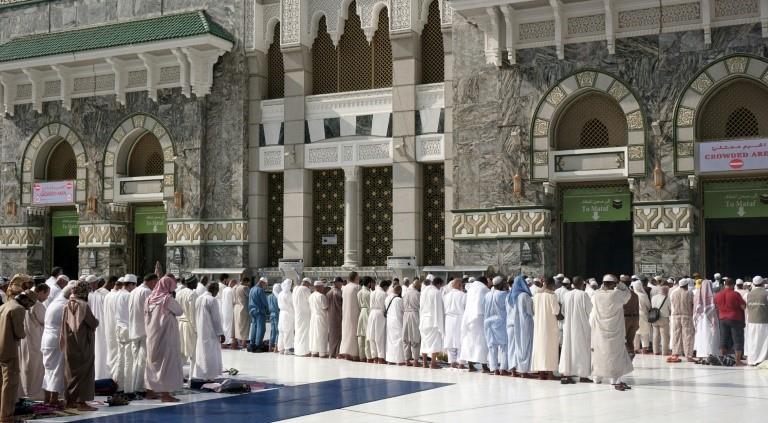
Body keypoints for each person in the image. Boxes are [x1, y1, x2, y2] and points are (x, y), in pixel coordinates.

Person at [61, 280, 99, 411]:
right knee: (84, 372)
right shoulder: (83, 305)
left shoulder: (67, 305)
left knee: (71, 373)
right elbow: (92, 323)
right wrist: (97, 321)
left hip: (69, 344)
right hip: (83, 344)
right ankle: (81, 403)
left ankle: (70, 401)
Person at [591, 274, 633, 391]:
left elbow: (599, 290)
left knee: (600, 353)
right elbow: (628, 294)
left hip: (600, 330)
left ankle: (597, 377)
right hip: (615, 330)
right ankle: (614, 380)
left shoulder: (597, 295)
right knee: (615, 355)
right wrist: (620, 284)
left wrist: (604, 284)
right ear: (614, 284)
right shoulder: (616, 294)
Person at [145, 276, 184, 402]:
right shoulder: (167, 299)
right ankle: (165, 395)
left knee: (153, 363)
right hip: (166, 336)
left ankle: (150, 391)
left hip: (152, 335)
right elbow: (179, 311)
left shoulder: (149, 298)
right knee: (166, 364)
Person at [0, 278, 33, 421]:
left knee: (2, 383)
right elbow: (19, 333)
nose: (29, 307)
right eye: (30, 304)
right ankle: (7, 416)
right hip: (9, 350)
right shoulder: (18, 309)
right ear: (26, 300)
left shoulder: (6, 305)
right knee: (10, 384)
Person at [559, 276, 592, 384]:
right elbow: (590, 310)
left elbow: (563, 311)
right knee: (582, 350)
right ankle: (583, 375)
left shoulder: (566, 295)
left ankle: (566, 374)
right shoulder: (583, 295)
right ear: (582, 284)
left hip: (568, 327)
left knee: (567, 349)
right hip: (581, 327)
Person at [128, 273, 157, 396]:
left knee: (136, 360)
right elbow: (150, 312)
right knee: (143, 361)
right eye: (155, 282)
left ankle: (134, 386)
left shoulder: (134, 291)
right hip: (144, 331)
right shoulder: (146, 292)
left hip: (134, 330)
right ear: (151, 281)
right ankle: (141, 388)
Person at [20, 284, 48, 400]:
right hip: (36, 339)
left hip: (26, 339)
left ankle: (26, 391)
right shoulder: (38, 305)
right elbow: (44, 321)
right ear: (40, 292)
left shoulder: (23, 305)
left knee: (26, 366)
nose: (47, 297)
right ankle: (35, 393)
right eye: (46, 294)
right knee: (36, 367)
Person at [193, 282, 224, 381]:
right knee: (210, 353)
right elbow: (216, 319)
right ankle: (209, 376)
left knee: (202, 352)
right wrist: (220, 333)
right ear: (214, 289)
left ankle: (202, 374)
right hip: (210, 331)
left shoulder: (199, 298)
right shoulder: (212, 300)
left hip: (201, 330)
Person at [532, 277, 560, 379]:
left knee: (540, 348)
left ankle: (541, 374)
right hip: (549, 327)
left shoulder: (536, 295)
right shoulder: (552, 295)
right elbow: (556, 311)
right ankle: (550, 374)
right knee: (550, 349)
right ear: (551, 285)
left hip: (539, 327)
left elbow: (534, 310)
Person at [714, 277, 746, 365]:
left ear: (725, 285)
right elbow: (743, 306)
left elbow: (716, 306)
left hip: (722, 318)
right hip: (735, 318)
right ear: (732, 285)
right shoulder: (735, 294)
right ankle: (738, 361)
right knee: (737, 339)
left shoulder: (718, 295)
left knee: (723, 339)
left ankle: (722, 359)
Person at [460, 277, 489, 372]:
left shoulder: (471, 288)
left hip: (468, 318)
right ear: (484, 282)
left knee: (469, 342)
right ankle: (484, 366)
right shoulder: (483, 289)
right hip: (479, 318)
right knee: (481, 342)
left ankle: (470, 365)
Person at [508, 275, 534, 377]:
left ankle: (520, 369)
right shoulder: (524, 296)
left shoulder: (512, 296)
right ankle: (524, 371)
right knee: (526, 346)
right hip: (526, 323)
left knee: (519, 346)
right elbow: (530, 311)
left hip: (516, 324)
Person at [484, 276, 509, 375]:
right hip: (500, 322)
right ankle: (503, 368)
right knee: (503, 346)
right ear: (500, 284)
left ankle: (494, 369)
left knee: (492, 347)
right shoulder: (503, 294)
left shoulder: (487, 295)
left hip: (488, 322)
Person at [419, 277, 445, 369]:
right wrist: (440, 324)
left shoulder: (424, 291)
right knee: (434, 341)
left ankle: (424, 363)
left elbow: (421, 307)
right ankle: (433, 363)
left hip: (423, 320)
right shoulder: (436, 292)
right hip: (432, 321)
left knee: (424, 342)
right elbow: (438, 309)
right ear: (438, 284)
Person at [117, 275, 136, 394]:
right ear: (131, 284)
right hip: (127, 328)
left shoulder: (117, 294)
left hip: (119, 327)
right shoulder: (128, 296)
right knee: (129, 360)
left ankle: (120, 386)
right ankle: (128, 389)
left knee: (121, 359)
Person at [669, 278, 695, 363]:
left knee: (676, 335)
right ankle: (688, 355)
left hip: (675, 316)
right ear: (686, 285)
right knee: (687, 336)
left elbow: (672, 303)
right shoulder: (689, 293)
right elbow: (692, 304)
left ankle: (675, 353)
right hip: (686, 316)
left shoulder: (673, 292)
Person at [103, 277, 123, 389]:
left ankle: (111, 377)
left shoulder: (108, 295)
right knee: (117, 354)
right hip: (116, 328)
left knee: (112, 353)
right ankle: (115, 380)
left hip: (109, 327)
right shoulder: (117, 296)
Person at [693, 279, 720, 359]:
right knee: (709, 336)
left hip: (701, 320)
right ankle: (710, 352)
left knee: (702, 335)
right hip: (709, 320)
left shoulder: (697, 295)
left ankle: (702, 352)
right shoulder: (713, 295)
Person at [443, 279, 466, 368]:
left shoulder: (446, 296)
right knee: (460, 341)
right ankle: (460, 362)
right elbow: (465, 307)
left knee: (450, 341)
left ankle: (452, 362)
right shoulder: (463, 295)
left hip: (448, 319)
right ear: (460, 285)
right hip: (459, 318)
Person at [745, 276, 768, 365]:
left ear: (753, 284)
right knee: (763, 341)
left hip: (751, 321)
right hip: (764, 321)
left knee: (753, 341)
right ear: (762, 283)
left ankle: (752, 360)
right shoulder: (766, 293)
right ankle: (762, 359)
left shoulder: (748, 294)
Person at [177, 276, 198, 371]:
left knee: (181, 353)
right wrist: (196, 329)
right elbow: (192, 313)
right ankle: (191, 378)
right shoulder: (192, 294)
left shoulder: (179, 292)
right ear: (192, 283)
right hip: (189, 325)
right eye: (196, 282)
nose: (197, 284)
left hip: (180, 324)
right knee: (193, 353)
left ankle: (177, 377)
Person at [367, 280, 389, 364]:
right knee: (379, 336)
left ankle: (374, 357)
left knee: (372, 336)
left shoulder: (372, 292)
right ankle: (381, 357)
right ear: (385, 287)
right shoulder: (384, 294)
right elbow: (385, 307)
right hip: (380, 314)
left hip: (372, 313)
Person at [341, 272, 361, 361]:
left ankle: (347, 353)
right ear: (355, 277)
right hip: (355, 312)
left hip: (346, 313)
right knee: (353, 332)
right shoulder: (356, 287)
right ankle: (354, 354)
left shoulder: (345, 288)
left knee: (346, 332)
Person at [402, 278, 421, 366]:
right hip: (414, 315)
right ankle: (416, 360)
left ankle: (407, 360)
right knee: (415, 337)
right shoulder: (417, 294)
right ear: (416, 285)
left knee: (405, 338)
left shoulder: (405, 294)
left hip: (406, 315)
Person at [385, 285, 405, 365]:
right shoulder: (399, 300)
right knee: (398, 340)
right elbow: (402, 311)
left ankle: (390, 359)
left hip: (389, 322)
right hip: (397, 321)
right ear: (400, 291)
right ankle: (399, 360)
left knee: (390, 340)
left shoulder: (387, 298)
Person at [308, 281, 329, 358]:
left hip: (313, 317)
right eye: (322, 287)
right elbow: (325, 307)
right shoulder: (321, 296)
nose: (323, 288)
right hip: (321, 317)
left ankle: (314, 351)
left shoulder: (311, 296)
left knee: (314, 335)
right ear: (319, 287)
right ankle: (322, 352)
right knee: (321, 334)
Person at [621, 275, 640, 360]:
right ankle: (631, 352)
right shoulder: (635, 294)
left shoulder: (621, 294)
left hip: (625, 319)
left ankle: (626, 355)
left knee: (622, 339)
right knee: (630, 339)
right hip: (634, 319)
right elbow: (637, 308)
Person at [247, 278, 269, 352]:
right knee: (260, 328)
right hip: (259, 311)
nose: (265, 286)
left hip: (252, 311)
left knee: (254, 327)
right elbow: (265, 302)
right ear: (262, 283)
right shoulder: (260, 290)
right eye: (265, 285)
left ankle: (252, 344)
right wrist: (267, 308)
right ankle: (258, 345)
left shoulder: (252, 289)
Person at [292, 278, 312, 357]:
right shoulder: (305, 289)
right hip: (305, 315)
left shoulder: (295, 289)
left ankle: (297, 350)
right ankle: (304, 351)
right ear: (307, 283)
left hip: (297, 314)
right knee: (304, 333)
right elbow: (310, 300)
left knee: (298, 332)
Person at [632, 280, 652, 355]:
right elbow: (648, 306)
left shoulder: (632, 295)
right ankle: (644, 348)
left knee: (635, 332)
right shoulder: (643, 295)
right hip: (643, 315)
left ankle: (635, 348)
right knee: (644, 332)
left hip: (634, 316)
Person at [651, 286, 671, 356]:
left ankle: (655, 351)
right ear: (665, 291)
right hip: (663, 318)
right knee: (665, 336)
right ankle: (665, 352)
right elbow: (670, 308)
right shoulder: (667, 298)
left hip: (654, 317)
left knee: (655, 335)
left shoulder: (653, 297)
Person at [326, 277, 343, 358]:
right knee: (338, 335)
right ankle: (337, 353)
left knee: (332, 334)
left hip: (330, 316)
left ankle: (331, 352)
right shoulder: (339, 292)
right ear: (338, 283)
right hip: (338, 316)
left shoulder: (329, 293)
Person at [356, 277, 372, 362]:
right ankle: (368, 356)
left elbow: (358, 304)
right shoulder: (368, 293)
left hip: (362, 312)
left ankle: (361, 355)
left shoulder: (359, 292)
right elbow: (371, 305)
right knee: (367, 334)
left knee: (361, 335)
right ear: (369, 283)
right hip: (368, 312)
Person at [277, 279, 295, 354]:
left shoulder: (280, 293)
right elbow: (292, 304)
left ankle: (281, 348)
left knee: (281, 331)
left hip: (281, 313)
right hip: (288, 314)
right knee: (288, 331)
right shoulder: (288, 293)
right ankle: (287, 349)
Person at [233, 278, 250, 350]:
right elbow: (250, 296)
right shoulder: (245, 288)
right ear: (245, 282)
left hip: (237, 308)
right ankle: (243, 344)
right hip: (243, 308)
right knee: (244, 327)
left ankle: (238, 342)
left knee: (238, 326)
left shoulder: (235, 287)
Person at [219, 278, 235, 348]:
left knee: (225, 326)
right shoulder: (231, 290)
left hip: (224, 310)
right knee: (229, 327)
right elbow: (234, 301)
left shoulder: (224, 290)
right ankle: (226, 343)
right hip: (229, 310)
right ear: (232, 284)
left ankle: (223, 342)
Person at [267, 283, 281, 352]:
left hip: (271, 315)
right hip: (277, 314)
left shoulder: (269, 296)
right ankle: (276, 347)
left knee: (272, 331)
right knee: (278, 331)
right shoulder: (278, 297)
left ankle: (270, 346)